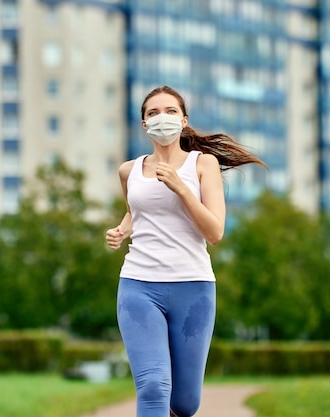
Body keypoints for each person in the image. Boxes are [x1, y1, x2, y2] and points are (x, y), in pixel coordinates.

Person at [106, 85, 267, 417]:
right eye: (153, 113)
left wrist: (180, 187)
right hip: (139, 285)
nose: (161, 118)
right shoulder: (129, 170)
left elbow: (215, 232)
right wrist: (123, 229)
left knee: (184, 403)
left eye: (170, 111)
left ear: (183, 120)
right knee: (153, 387)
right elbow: (136, 210)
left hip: (193, 287)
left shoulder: (202, 164)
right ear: (143, 124)